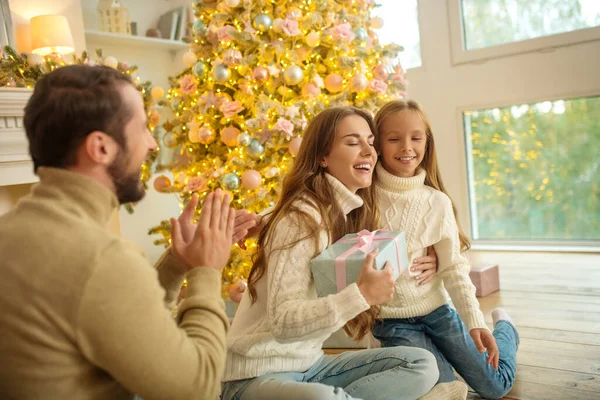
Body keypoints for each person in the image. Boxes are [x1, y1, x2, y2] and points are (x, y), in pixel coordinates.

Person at [0, 65, 248, 400]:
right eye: (143, 128)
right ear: (100, 147)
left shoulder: (14, 230)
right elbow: (197, 387)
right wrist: (207, 272)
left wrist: (178, 262)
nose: (150, 145)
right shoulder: (100, 258)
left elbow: (118, 319)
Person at [221, 106, 439, 400]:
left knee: (421, 364)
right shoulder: (301, 219)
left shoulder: (343, 214)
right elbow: (284, 322)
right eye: (352, 142)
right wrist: (360, 295)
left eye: (371, 142)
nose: (368, 152)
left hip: (311, 365)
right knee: (322, 398)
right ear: (322, 157)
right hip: (254, 374)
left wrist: (436, 255)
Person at [368, 99, 519, 399]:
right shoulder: (363, 195)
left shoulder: (436, 202)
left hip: (437, 310)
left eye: (416, 137)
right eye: (394, 138)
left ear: (427, 142)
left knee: (495, 386)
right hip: (391, 321)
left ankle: (506, 329)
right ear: (378, 145)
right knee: (446, 387)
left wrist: (476, 322)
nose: (406, 147)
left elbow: (454, 268)